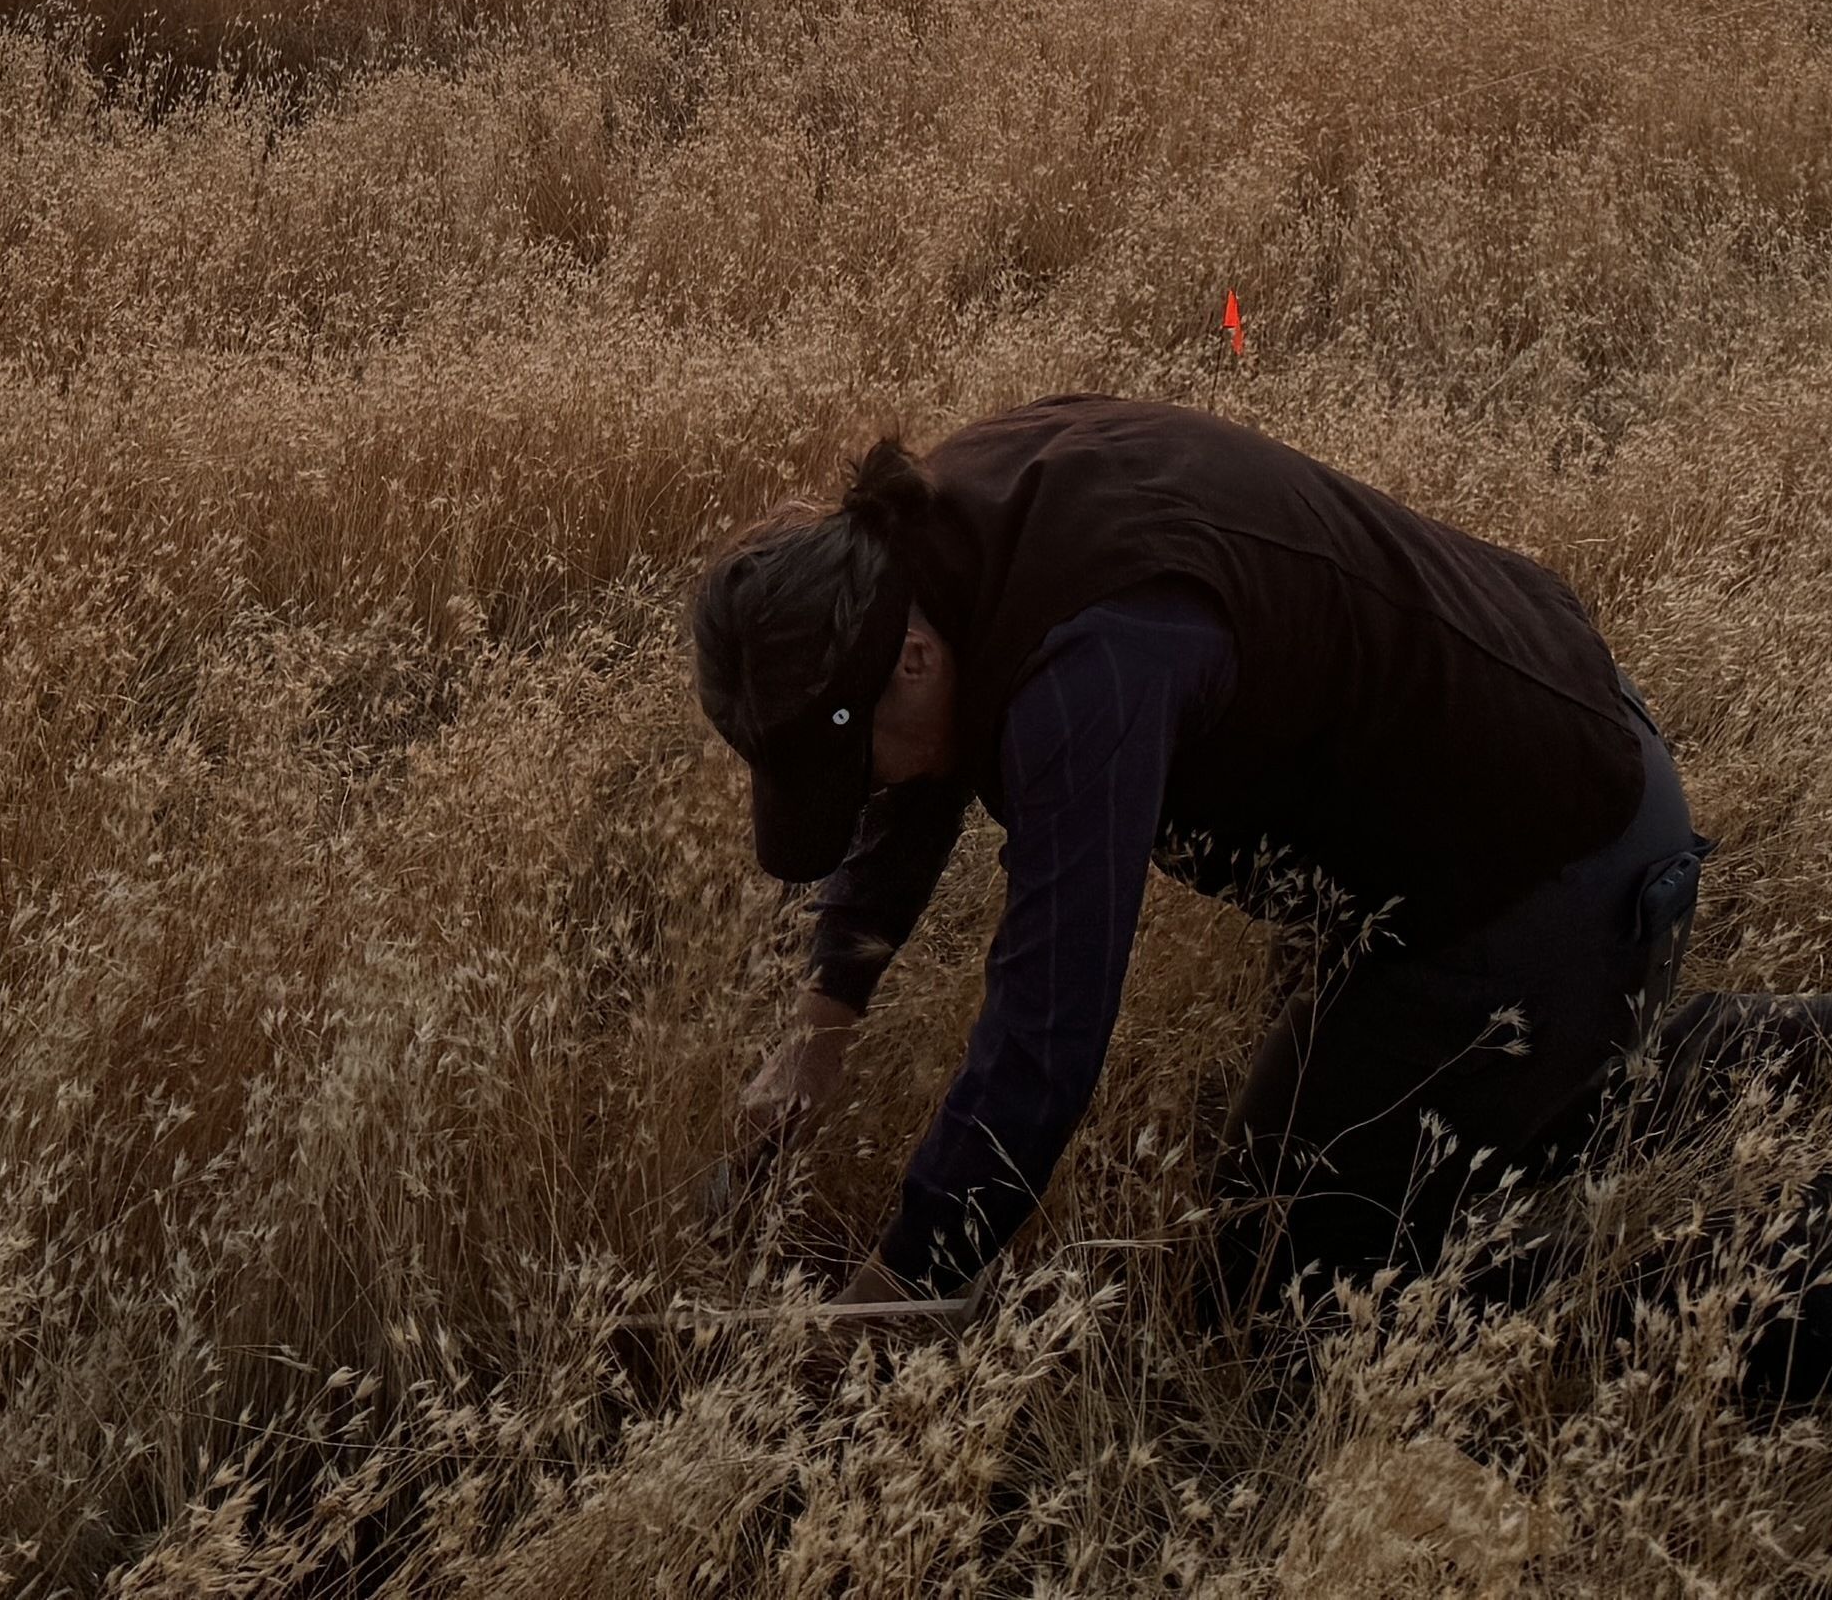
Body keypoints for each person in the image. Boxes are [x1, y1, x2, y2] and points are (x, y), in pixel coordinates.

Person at [690, 394, 1705, 1322]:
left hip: (1548, 848)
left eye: (854, 768)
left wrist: (901, 1288)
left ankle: (1734, 1198)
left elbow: (1051, 1030)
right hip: (1520, 744)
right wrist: (819, 1035)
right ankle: (1635, 1038)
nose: (869, 797)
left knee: (1286, 1273)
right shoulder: (930, 533)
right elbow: (917, 770)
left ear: (909, 659)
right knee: (1316, 1125)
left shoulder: (1094, 668)